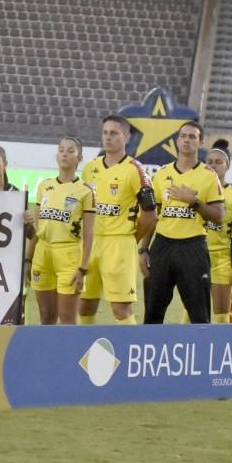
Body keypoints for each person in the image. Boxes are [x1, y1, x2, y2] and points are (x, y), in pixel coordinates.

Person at [140, 121, 224, 324]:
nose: (187, 140)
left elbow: (218, 216)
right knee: (152, 312)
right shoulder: (161, 174)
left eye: (192, 137)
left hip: (193, 247)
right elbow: (153, 216)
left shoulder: (209, 176)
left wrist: (194, 201)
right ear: (177, 140)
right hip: (162, 246)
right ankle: (150, 352)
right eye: (183, 136)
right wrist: (144, 249)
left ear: (201, 142)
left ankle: (202, 354)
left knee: (199, 315)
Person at [79, 115, 156, 325]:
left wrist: (131, 237)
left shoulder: (136, 170)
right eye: (105, 132)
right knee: (84, 304)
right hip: (91, 243)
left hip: (119, 244)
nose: (108, 137)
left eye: (114, 133)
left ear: (126, 136)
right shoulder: (89, 168)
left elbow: (151, 213)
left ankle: (129, 352)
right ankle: (85, 351)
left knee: (121, 307)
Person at [25, 137, 94, 325]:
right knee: (46, 317)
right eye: (61, 149)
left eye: (70, 150)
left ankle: (71, 355)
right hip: (42, 254)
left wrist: (83, 268)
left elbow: (89, 234)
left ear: (79, 158)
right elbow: (36, 230)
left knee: (67, 318)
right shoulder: (44, 186)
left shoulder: (85, 191)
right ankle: (47, 355)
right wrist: (28, 259)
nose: (64, 153)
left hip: (69, 256)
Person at [201, 140, 232, 323]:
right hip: (197, 257)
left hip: (222, 260)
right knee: (192, 311)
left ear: (227, 165)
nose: (213, 165)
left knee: (222, 315)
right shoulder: (197, 192)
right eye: (210, 161)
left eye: (218, 162)